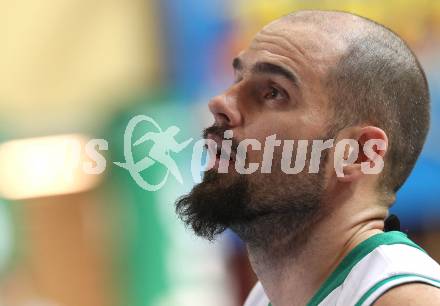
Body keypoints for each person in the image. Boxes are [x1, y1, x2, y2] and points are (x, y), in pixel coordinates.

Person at [175, 10, 440, 306]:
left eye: (273, 92)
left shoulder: (407, 299)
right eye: (236, 79)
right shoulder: (264, 298)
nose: (220, 102)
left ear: (359, 153)